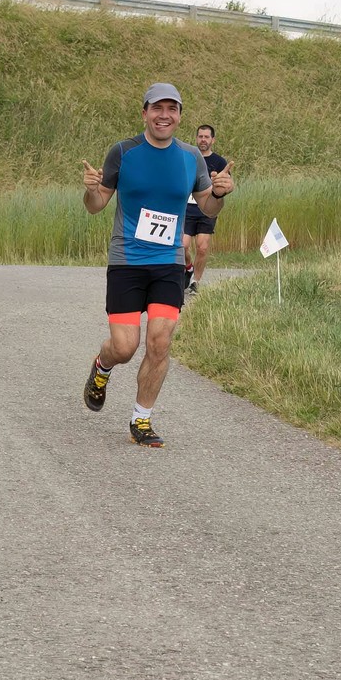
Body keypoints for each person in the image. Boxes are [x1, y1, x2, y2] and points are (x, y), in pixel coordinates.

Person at [81, 83, 235, 446]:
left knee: (160, 342)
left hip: (168, 263)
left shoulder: (190, 157)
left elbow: (207, 207)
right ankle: (102, 366)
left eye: (172, 109)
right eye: (157, 108)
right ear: (145, 113)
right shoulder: (123, 152)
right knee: (124, 347)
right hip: (127, 262)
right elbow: (96, 205)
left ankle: (141, 419)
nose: (164, 115)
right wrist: (90, 189)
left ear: (179, 116)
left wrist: (218, 193)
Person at [182, 122, 231, 299]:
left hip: (207, 209)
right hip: (187, 208)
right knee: (182, 246)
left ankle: (195, 281)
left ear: (213, 140)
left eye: (206, 137)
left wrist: (221, 187)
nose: (203, 140)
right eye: (200, 136)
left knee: (202, 247)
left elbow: (225, 187)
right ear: (196, 138)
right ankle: (188, 268)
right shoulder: (188, 158)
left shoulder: (219, 162)